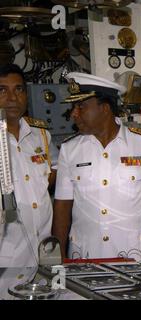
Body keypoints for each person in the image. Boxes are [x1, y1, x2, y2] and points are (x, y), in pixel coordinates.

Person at [52, 72, 141, 263]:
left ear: (105, 108)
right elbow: (62, 205)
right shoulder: (69, 150)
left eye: (80, 106)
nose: (74, 113)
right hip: (84, 253)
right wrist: (58, 257)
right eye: (74, 107)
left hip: (135, 253)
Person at [0, 64, 58, 298]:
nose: (12, 98)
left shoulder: (41, 134)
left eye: (19, 89)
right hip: (6, 259)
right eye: (2, 90)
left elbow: (53, 172)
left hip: (42, 253)